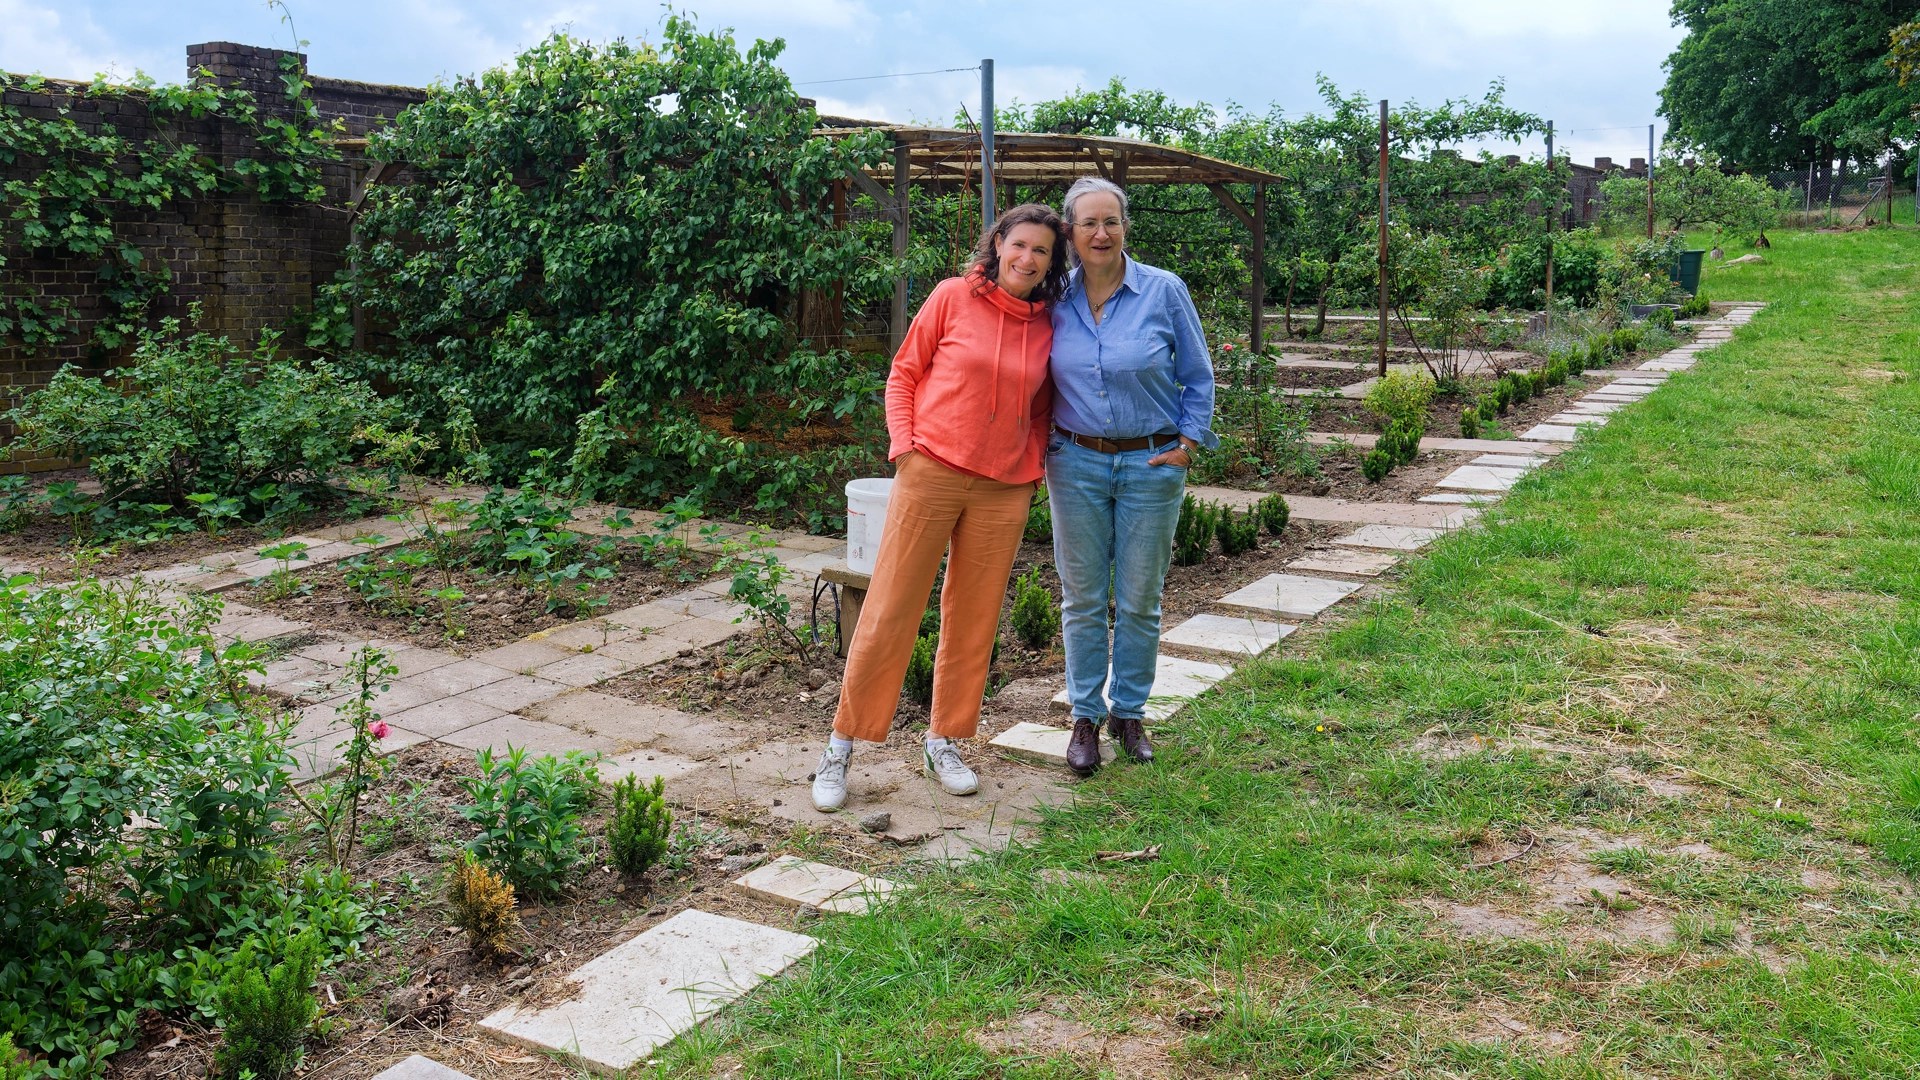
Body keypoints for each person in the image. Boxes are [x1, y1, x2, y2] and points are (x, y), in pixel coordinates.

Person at [813, 203, 1070, 813]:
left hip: (1004, 488)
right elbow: (904, 373)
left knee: (974, 617)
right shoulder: (952, 297)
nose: (1027, 259)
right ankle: (840, 746)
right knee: (891, 606)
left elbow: (1041, 409)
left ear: (1051, 263)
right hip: (932, 470)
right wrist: (905, 448)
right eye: (1020, 245)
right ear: (998, 243)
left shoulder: (1048, 324)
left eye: (1041, 251)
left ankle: (945, 741)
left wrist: (1029, 468)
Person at [1046, 177, 1216, 777]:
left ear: (1125, 227)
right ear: (1069, 231)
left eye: (1110, 221)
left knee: (1140, 598)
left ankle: (1131, 715)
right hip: (1075, 463)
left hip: (1150, 463)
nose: (1101, 233)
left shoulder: (1163, 291)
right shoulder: (1053, 296)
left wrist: (1188, 443)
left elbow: (1198, 373)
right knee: (1084, 597)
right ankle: (1085, 718)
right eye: (1088, 223)